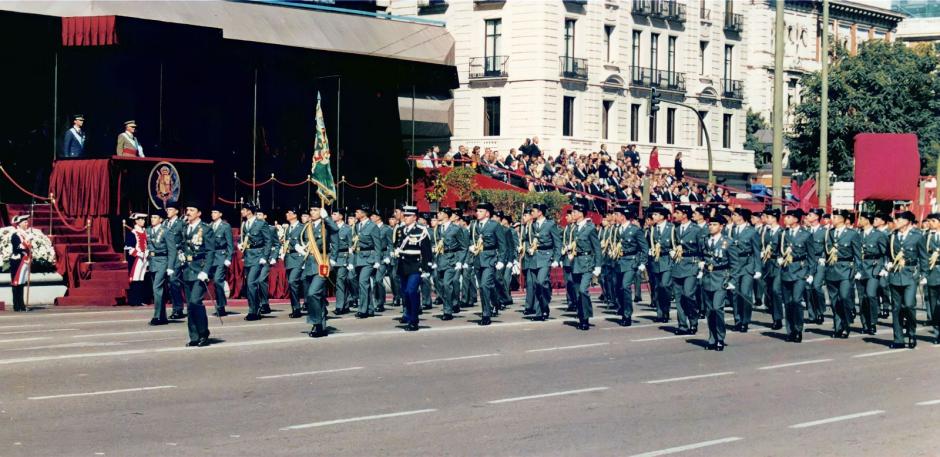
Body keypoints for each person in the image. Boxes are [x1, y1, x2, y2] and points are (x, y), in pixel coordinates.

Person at [886, 211, 926, 349]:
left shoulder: (917, 236)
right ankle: (898, 339)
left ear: (907, 221)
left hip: (910, 274)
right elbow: (887, 254)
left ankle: (911, 332)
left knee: (909, 305)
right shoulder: (892, 236)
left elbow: (923, 256)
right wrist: (888, 264)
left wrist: (924, 274)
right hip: (895, 275)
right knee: (896, 308)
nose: (895, 222)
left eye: (898, 219)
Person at [299, 206, 339, 338]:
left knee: (312, 293)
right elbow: (301, 240)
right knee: (318, 297)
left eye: (315, 210)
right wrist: (299, 248)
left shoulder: (326, 225)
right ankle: (321, 324)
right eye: (311, 210)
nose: (312, 212)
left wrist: (326, 217)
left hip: (321, 263)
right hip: (309, 264)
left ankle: (316, 323)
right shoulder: (307, 226)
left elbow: (336, 231)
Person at [468, 202, 508, 326]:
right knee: (484, 286)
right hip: (477, 258)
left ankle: (486, 314)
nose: (477, 213)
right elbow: (470, 239)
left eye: (480, 211)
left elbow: (502, 244)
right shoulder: (474, 225)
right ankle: (495, 302)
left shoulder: (494, 225)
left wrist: (501, 260)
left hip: (490, 258)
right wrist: (471, 246)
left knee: (485, 285)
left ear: (487, 213)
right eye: (477, 211)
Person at [823, 209, 862, 339]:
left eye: (835, 217)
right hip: (831, 269)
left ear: (842, 219)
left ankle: (846, 324)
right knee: (834, 301)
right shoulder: (829, 233)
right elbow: (826, 250)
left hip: (846, 269)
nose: (832, 219)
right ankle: (838, 327)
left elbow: (857, 254)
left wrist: (858, 270)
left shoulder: (852, 234)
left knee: (844, 297)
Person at [179, 202, 212, 347]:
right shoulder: (185, 228)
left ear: (199, 213)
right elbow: (181, 246)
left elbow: (210, 252)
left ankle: (204, 333)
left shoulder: (206, 229)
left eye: (192, 210)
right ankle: (194, 336)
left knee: (195, 301)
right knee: (190, 306)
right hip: (187, 270)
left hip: (200, 270)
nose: (188, 212)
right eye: (187, 210)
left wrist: (205, 271)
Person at [396, 206, 433, 331]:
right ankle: (409, 314)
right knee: (405, 293)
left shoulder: (421, 231)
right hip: (403, 265)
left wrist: (426, 269)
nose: (405, 218)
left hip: (415, 265)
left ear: (414, 217)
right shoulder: (400, 230)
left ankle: (414, 320)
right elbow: (397, 244)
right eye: (404, 216)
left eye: (408, 216)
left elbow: (427, 251)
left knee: (411, 291)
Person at [567, 204, 602, 331]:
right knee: (577, 293)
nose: (573, 214)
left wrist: (598, 266)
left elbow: (597, 248)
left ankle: (586, 318)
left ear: (581, 213)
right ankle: (581, 317)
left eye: (575, 212)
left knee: (583, 290)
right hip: (576, 262)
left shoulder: (590, 228)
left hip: (587, 263)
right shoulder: (574, 228)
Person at [670, 206, 703, 335]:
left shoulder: (696, 230)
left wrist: (702, 263)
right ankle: (682, 325)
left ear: (685, 215)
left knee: (689, 294)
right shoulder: (675, 229)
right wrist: (671, 252)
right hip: (678, 264)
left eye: (677, 213)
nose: (675, 215)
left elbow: (702, 247)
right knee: (678, 297)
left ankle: (693, 321)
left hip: (691, 264)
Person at [726, 208, 761, 332]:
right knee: (734, 293)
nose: (732, 217)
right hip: (734, 265)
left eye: (734, 215)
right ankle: (737, 320)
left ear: (741, 217)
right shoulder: (730, 230)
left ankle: (745, 321)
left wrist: (758, 269)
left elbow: (757, 251)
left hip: (747, 264)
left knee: (745, 293)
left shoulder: (752, 232)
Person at [780, 209, 812, 343]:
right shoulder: (784, 234)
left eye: (788, 217)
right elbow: (779, 250)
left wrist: (810, 273)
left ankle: (798, 329)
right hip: (786, 270)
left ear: (795, 219)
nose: (785, 219)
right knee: (787, 303)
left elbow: (812, 256)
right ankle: (790, 330)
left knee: (796, 301)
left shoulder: (806, 235)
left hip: (800, 271)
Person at [613, 207, 648, 327]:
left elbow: (644, 247)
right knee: (618, 288)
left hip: (630, 261)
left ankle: (627, 315)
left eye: (616, 214)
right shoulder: (616, 229)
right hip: (619, 261)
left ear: (623, 216)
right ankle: (622, 308)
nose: (614, 217)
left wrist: (642, 262)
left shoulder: (635, 230)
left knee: (625, 286)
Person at [701, 214, 731, 351]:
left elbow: (734, 264)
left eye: (714, 225)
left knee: (717, 308)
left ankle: (720, 338)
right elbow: (703, 256)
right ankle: (712, 338)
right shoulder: (705, 240)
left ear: (721, 226)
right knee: (709, 311)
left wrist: (732, 280)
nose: (711, 227)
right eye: (710, 224)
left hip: (721, 278)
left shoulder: (728, 242)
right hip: (707, 277)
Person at [527, 204, 561, 321]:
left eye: (533, 211)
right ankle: (540, 312)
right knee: (536, 285)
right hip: (534, 257)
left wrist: (556, 258)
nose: (532, 213)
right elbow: (530, 239)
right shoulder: (532, 225)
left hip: (546, 256)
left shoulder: (550, 224)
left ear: (540, 212)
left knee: (541, 282)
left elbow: (557, 242)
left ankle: (545, 304)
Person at [433, 208, 467, 320]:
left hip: (451, 258)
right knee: (440, 285)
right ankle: (451, 302)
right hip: (440, 259)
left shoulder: (456, 229)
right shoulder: (438, 228)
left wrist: (460, 261)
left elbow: (463, 246)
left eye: (441, 213)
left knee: (447, 284)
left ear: (446, 215)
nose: (438, 214)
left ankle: (447, 311)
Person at [350, 205, 384, 319]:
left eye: (358, 211)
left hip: (369, 257)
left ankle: (362, 309)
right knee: (365, 285)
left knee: (363, 282)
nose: (356, 213)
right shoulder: (356, 225)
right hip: (358, 258)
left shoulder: (372, 226)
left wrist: (377, 260)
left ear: (364, 213)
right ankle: (370, 309)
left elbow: (377, 245)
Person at [239, 203, 271, 321]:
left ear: (249, 211)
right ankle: (255, 308)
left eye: (244, 209)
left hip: (258, 255)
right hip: (248, 255)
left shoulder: (261, 223)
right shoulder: (244, 224)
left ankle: (253, 311)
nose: (242, 211)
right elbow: (245, 239)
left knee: (251, 283)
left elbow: (268, 241)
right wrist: (241, 246)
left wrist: (265, 256)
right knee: (250, 284)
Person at [857, 212, 887, 336]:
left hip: (874, 267)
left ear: (867, 221)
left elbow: (885, 252)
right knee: (862, 297)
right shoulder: (857, 234)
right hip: (860, 267)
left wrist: (883, 266)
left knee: (871, 295)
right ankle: (865, 323)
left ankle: (873, 322)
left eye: (862, 218)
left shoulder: (879, 235)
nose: (859, 220)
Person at [647, 206, 675, 323]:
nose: (653, 216)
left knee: (665, 286)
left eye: (656, 214)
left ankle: (666, 309)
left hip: (667, 260)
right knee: (657, 288)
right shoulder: (651, 229)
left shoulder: (671, 228)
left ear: (662, 216)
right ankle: (660, 313)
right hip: (655, 261)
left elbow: (676, 242)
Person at [146, 211, 172, 325]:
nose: (152, 219)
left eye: (155, 217)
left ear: (161, 219)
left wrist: (170, 266)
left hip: (162, 261)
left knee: (157, 288)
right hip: (152, 261)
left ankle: (156, 316)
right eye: (152, 217)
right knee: (157, 290)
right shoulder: (148, 230)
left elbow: (172, 250)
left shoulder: (166, 231)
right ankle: (162, 316)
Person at [208, 206, 234, 317]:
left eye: (215, 212)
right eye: (212, 212)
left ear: (220, 214)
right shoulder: (209, 226)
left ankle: (221, 306)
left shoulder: (225, 226)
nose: (213, 214)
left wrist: (228, 258)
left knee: (218, 280)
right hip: (211, 258)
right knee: (215, 283)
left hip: (221, 257)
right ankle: (220, 304)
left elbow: (230, 244)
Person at [282, 208, 307, 319]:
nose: (287, 214)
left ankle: (298, 308)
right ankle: (295, 308)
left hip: (298, 257)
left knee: (293, 281)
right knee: (292, 284)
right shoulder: (288, 229)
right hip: (289, 258)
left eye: (289, 213)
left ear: (295, 215)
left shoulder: (302, 227)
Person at [163, 203, 186, 320]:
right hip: (166, 255)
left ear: (176, 211)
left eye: (171, 209)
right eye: (167, 209)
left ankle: (178, 309)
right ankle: (174, 307)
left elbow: (185, 238)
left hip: (177, 255)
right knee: (169, 283)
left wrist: (182, 252)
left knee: (174, 281)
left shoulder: (181, 224)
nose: (168, 211)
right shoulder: (165, 223)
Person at [330, 208, 353, 315]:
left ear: (341, 216)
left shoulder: (347, 229)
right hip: (333, 257)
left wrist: (350, 261)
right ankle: (346, 303)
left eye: (335, 214)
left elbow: (350, 246)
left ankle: (339, 306)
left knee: (340, 281)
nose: (332, 216)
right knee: (340, 282)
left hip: (343, 257)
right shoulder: (331, 228)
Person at [124, 213, 149, 306]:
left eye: (143, 220)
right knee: (135, 279)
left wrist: (146, 253)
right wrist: (138, 254)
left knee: (142, 278)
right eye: (141, 220)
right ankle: (134, 300)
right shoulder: (132, 233)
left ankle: (140, 299)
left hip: (145, 258)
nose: (143, 221)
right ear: (136, 221)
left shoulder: (145, 232)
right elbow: (128, 248)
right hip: (136, 259)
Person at [8, 215, 32, 312]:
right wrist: (27, 241)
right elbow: (17, 248)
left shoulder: (25, 234)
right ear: (19, 223)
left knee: (21, 283)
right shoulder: (15, 235)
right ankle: (16, 305)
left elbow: (28, 248)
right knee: (16, 283)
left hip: (24, 261)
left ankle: (21, 305)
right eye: (25, 222)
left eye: (27, 222)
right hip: (17, 261)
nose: (27, 224)